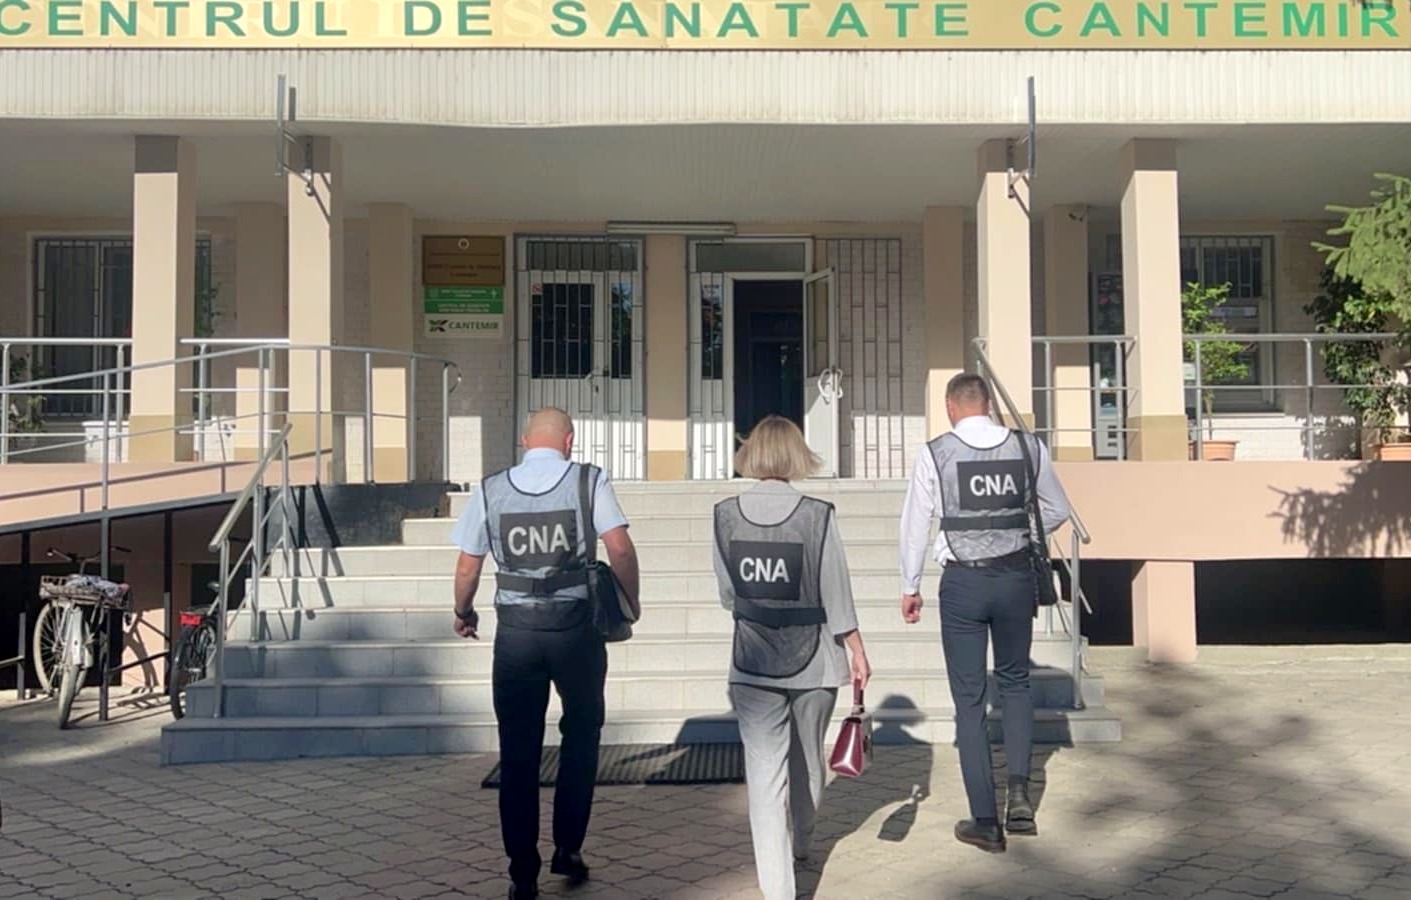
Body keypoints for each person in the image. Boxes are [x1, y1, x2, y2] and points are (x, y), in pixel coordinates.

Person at [450, 408, 640, 900]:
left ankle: (522, 873)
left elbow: (468, 567)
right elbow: (619, 549)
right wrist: (631, 603)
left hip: (516, 636)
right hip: (576, 633)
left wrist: (463, 612)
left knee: (518, 753)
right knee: (581, 735)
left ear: (523, 440)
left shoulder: (491, 489)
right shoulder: (588, 481)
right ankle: (568, 848)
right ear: (569, 441)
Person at [898, 373, 1072, 853]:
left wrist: (910, 585)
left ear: (950, 406)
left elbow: (915, 523)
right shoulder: (1027, 446)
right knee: (1015, 684)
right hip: (1015, 578)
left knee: (970, 701)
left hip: (963, 584)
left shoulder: (936, 453)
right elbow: (1057, 508)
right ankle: (1020, 797)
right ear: (989, 403)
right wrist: (1021, 533)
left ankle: (986, 821)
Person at [712, 415, 872, 900]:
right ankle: (804, 838)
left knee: (765, 780)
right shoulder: (817, 515)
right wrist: (857, 649)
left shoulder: (724, 514)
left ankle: (778, 889)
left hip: (751, 661)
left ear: (751, 454)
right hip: (816, 660)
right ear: (797, 454)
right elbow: (836, 590)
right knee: (809, 764)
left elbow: (727, 594)